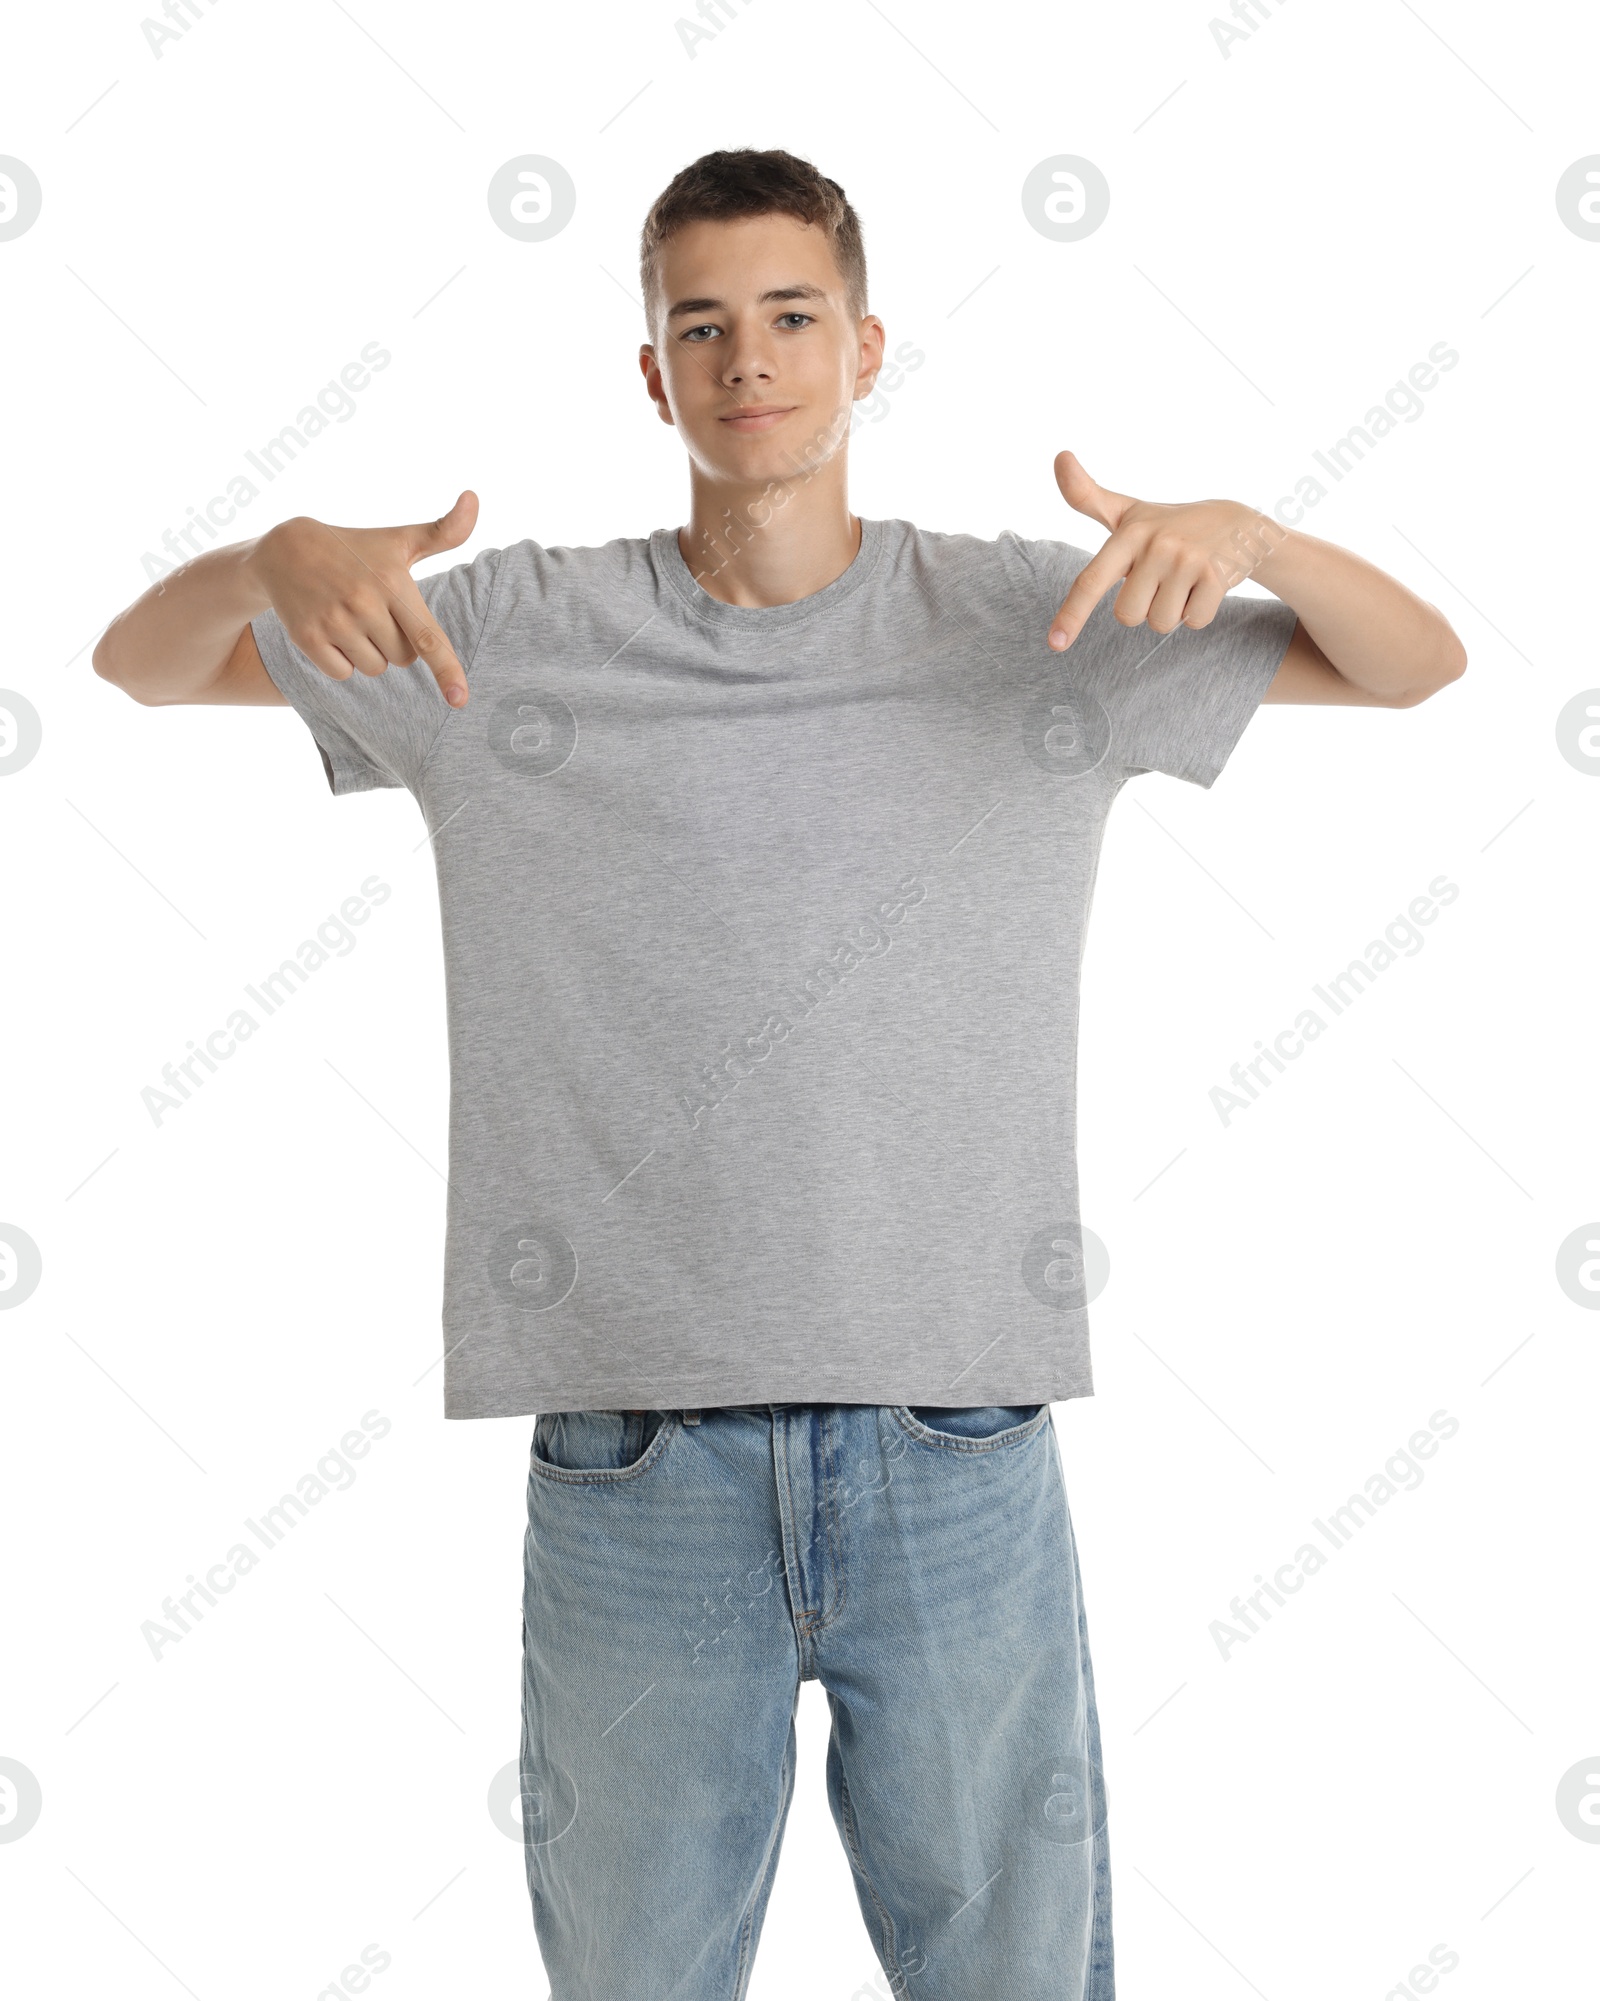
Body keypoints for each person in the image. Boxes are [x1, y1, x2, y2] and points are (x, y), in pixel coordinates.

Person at [92, 146, 1466, 2001]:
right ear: (651, 376)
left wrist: (1263, 537)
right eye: (703, 325)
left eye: (794, 316)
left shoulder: (1031, 625)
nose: (752, 359)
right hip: (632, 1454)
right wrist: (266, 559)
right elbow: (143, 666)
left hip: (956, 1439)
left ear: (869, 346)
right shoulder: (501, 641)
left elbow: (1417, 668)